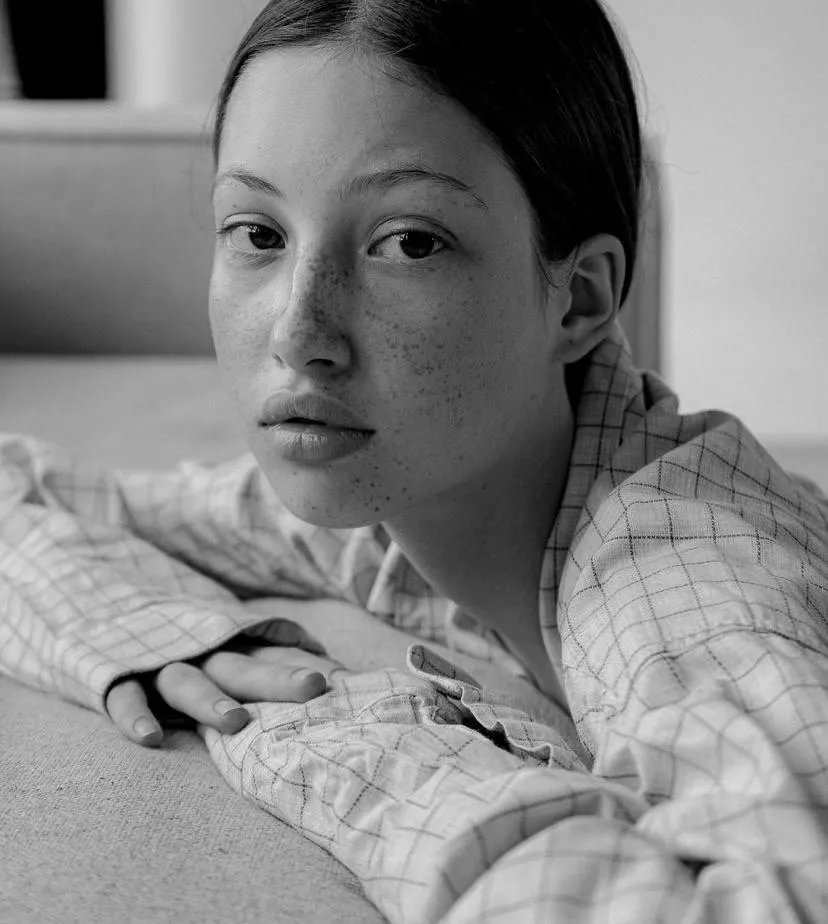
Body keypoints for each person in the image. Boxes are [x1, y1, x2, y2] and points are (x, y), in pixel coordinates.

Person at [1, 0, 827, 920]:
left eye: (409, 243)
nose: (299, 334)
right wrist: (161, 635)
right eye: (259, 234)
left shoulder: (684, 581)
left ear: (582, 299)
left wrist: (342, 740)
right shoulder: (404, 513)